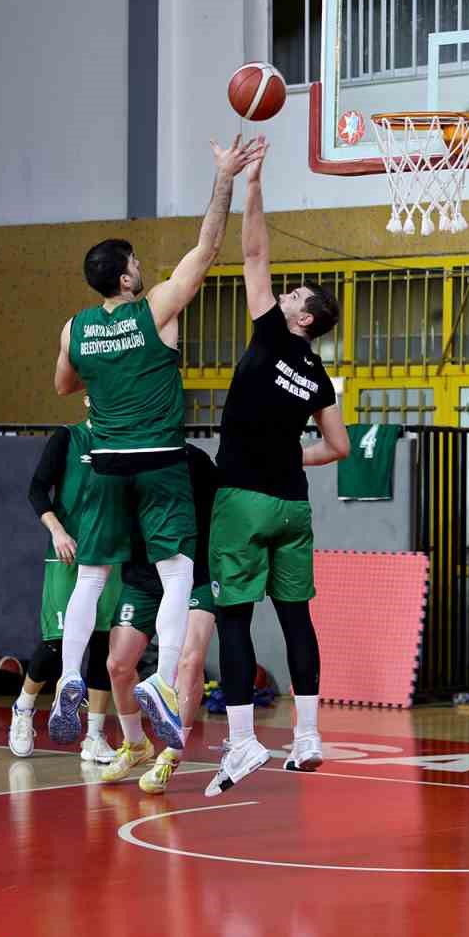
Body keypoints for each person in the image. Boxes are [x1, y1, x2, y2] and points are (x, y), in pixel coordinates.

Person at [47, 135, 264, 746]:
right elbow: (208, 247)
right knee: (176, 575)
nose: (142, 267)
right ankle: (164, 683)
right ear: (126, 276)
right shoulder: (157, 310)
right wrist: (225, 176)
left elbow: (64, 385)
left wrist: (103, 372)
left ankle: (68, 676)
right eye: (136, 262)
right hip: (160, 460)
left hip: (104, 461)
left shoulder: (74, 328)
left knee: (92, 578)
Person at [203, 147, 349, 797]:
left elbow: (254, 253)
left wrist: (254, 182)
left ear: (302, 318)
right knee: (295, 619)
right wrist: (295, 456)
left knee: (234, 619)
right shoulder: (318, 375)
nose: (283, 293)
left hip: (242, 499)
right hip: (292, 505)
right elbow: (338, 447)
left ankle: (241, 742)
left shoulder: (270, 335)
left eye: (293, 295)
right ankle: (308, 736)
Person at [10, 409, 127, 764]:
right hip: (68, 552)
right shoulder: (68, 437)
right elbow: (36, 489)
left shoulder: (125, 441)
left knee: (104, 644)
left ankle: (94, 736)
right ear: (90, 398)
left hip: (109, 553)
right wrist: (57, 531)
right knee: (57, 642)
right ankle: (23, 709)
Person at [103, 443, 219, 793]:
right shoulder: (125, 459)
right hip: (143, 577)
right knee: (118, 665)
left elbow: (223, 509)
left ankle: (172, 752)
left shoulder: (195, 460)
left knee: (190, 662)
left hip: (195, 573)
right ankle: (136, 744)